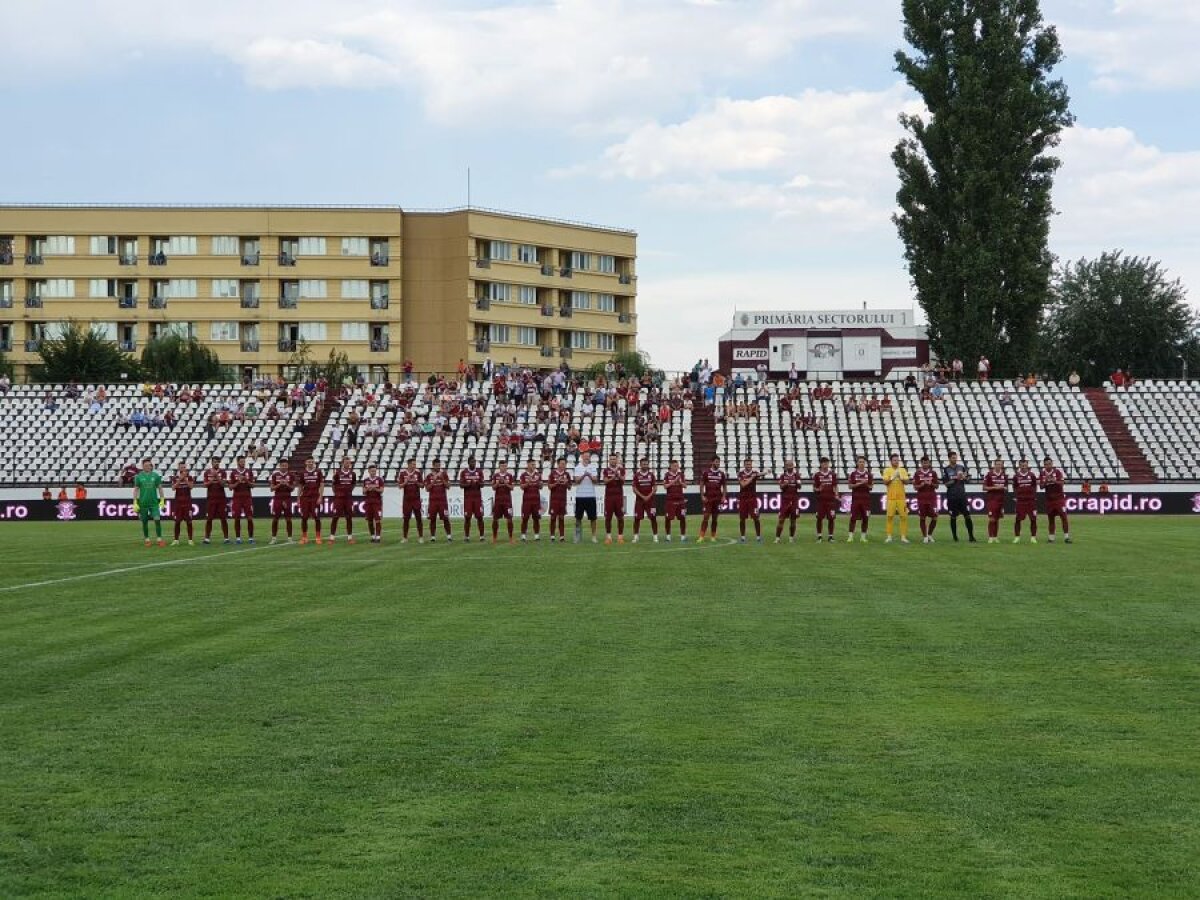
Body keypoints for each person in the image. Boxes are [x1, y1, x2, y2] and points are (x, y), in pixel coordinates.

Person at [942, 451, 975, 543]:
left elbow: (968, 479)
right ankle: (955, 537)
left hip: (962, 496)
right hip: (952, 496)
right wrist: (956, 478)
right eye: (953, 458)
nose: (955, 459)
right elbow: (946, 484)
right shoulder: (946, 469)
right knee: (953, 516)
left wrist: (964, 477)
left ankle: (971, 536)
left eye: (955, 457)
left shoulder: (961, 467)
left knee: (967, 515)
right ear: (949, 459)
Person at [132, 458, 166, 547]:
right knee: (144, 521)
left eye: (148, 465)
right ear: (142, 466)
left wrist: (162, 500)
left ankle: (159, 539)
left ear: (151, 466)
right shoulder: (138, 476)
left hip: (154, 503)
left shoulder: (155, 476)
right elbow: (136, 489)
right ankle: (147, 539)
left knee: (157, 519)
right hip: (143, 503)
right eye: (145, 465)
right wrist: (135, 502)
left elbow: (160, 488)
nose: (147, 467)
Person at [1040, 457, 1072, 544]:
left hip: (1059, 499)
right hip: (1049, 500)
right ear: (1044, 465)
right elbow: (1041, 486)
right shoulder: (1042, 473)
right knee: (1051, 519)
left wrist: (1054, 480)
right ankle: (1051, 538)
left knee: (1064, 517)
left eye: (1049, 464)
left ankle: (1066, 537)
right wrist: (1046, 481)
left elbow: (1062, 483)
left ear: (1052, 464)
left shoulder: (1057, 472)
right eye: (1046, 464)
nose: (1048, 465)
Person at [200, 456, 230, 545]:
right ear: (212, 463)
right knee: (209, 519)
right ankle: (207, 538)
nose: (216, 463)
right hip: (211, 499)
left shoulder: (223, 472)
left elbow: (223, 484)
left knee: (223, 518)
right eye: (214, 462)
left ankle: (226, 538)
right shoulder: (207, 472)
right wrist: (212, 479)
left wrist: (217, 476)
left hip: (221, 499)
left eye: (217, 462)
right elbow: (205, 485)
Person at [881, 453, 911, 544]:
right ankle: (889, 536)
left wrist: (901, 477)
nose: (896, 462)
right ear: (891, 461)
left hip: (901, 498)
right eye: (894, 460)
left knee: (903, 517)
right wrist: (893, 477)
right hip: (891, 497)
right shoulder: (887, 470)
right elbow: (885, 482)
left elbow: (907, 482)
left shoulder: (902, 470)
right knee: (890, 517)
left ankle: (903, 537)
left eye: (897, 460)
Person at [697, 455, 727, 542]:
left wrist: (724, 496)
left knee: (715, 518)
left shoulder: (721, 474)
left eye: (718, 462)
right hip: (708, 498)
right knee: (706, 516)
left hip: (717, 498)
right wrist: (702, 495)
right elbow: (702, 484)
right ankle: (701, 536)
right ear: (712, 462)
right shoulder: (706, 472)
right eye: (716, 462)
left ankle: (713, 536)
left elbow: (724, 486)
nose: (717, 463)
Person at [573, 450, 600, 544]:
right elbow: (577, 481)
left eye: (588, 456)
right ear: (582, 457)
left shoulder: (593, 467)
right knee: (578, 518)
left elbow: (596, 480)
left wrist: (590, 475)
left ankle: (593, 536)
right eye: (585, 456)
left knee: (593, 518)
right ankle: (578, 536)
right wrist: (584, 475)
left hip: (591, 495)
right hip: (580, 496)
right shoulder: (577, 467)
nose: (587, 458)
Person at [329, 457, 357, 543]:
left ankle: (349, 538)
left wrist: (348, 491)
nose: (347, 464)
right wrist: (337, 493)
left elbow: (353, 484)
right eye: (346, 463)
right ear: (342, 463)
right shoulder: (337, 473)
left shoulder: (353, 474)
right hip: (339, 498)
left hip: (348, 498)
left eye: (349, 463)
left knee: (349, 517)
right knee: (335, 517)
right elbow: (333, 485)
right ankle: (332, 538)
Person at [297, 457, 325, 544]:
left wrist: (320, 497)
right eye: (309, 462)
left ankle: (318, 537)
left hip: (315, 497)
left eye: (312, 462)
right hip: (305, 498)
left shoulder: (318, 472)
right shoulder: (302, 473)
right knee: (304, 517)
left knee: (316, 517)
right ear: (305, 462)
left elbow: (321, 485)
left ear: (314, 463)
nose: (310, 463)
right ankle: (304, 537)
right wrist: (298, 498)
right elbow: (300, 486)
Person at [396, 458, 424, 544]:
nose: (414, 466)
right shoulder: (403, 474)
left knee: (419, 518)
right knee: (406, 519)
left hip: (416, 499)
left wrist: (416, 482)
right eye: (413, 464)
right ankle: (405, 537)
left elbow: (422, 485)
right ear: (408, 465)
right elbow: (400, 486)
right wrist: (406, 482)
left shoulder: (418, 473)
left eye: (415, 464)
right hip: (407, 500)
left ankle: (420, 537)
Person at [229, 455, 256, 544]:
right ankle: (238, 538)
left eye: (244, 462)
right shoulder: (233, 473)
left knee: (249, 518)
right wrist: (238, 481)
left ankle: (251, 538)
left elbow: (252, 485)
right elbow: (230, 487)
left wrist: (246, 480)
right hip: (237, 498)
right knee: (237, 518)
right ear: (237, 462)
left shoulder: (249, 472)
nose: (243, 463)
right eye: (241, 462)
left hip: (247, 498)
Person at [601, 453, 627, 545]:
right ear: (609, 460)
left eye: (614, 459)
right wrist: (613, 477)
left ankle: (620, 537)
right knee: (608, 517)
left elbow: (623, 481)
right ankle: (608, 537)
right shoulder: (606, 470)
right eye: (611, 459)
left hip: (619, 497)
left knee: (620, 517)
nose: (613, 460)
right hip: (609, 497)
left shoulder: (621, 469)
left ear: (616, 460)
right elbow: (605, 481)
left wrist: (618, 475)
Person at [631, 457, 658, 543]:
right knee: (637, 518)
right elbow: (634, 488)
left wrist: (649, 496)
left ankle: (655, 536)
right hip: (639, 500)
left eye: (646, 464)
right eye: (643, 464)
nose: (645, 465)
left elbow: (655, 488)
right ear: (640, 465)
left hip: (651, 500)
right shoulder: (636, 475)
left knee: (653, 518)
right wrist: (642, 496)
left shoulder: (651, 475)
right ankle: (636, 536)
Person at [913, 455, 940, 543]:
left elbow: (937, 486)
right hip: (921, 498)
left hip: (932, 498)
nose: (925, 464)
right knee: (922, 517)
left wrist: (931, 483)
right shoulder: (917, 473)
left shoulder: (933, 473)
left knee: (935, 517)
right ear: (921, 463)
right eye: (924, 463)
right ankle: (925, 536)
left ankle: (930, 534)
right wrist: (921, 485)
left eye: (927, 463)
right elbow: (915, 487)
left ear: (929, 463)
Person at [846, 456, 873, 542]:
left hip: (866, 500)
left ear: (865, 463)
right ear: (857, 463)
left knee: (865, 518)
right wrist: (860, 483)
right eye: (860, 462)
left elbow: (871, 487)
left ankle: (863, 537)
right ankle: (850, 536)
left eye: (863, 462)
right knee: (853, 518)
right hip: (856, 499)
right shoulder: (853, 474)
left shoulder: (869, 475)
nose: (861, 463)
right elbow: (850, 486)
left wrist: (865, 484)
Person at [773, 459, 801, 543]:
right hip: (785, 500)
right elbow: (781, 487)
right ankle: (777, 538)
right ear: (785, 466)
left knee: (793, 520)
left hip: (794, 500)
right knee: (781, 519)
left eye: (791, 465)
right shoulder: (783, 476)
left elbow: (799, 487)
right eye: (788, 465)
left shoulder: (797, 475)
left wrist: (797, 482)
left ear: (793, 466)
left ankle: (791, 538)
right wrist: (786, 483)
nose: (789, 467)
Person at [459, 457, 486, 541]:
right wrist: (469, 484)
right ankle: (467, 536)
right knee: (467, 517)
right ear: (468, 463)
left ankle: (482, 536)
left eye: (474, 462)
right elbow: (461, 485)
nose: (473, 463)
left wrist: (477, 482)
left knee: (480, 517)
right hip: (468, 499)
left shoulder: (479, 471)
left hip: (477, 498)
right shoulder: (464, 472)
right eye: (471, 462)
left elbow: (482, 484)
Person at [268, 459, 296, 543]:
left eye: (286, 465)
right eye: (282, 465)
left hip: (287, 498)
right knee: (275, 518)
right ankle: (273, 538)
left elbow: (292, 489)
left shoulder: (291, 475)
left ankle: (290, 538)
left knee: (288, 519)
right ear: (280, 466)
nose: (284, 467)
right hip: (277, 498)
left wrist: (286, 484)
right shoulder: (275, 475)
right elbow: (271, 489)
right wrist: (280, 484)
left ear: (288, 466)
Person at [736, 457, 762, 543]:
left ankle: (758, 537)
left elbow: (760, 474)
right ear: (744, 465)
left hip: (752, 499)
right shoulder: (740, 474)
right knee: (742, 518)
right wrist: (751, 478)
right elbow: (743, 485)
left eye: (750, 464)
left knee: (756, 518)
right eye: (747, 464)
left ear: (751, 465)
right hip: (743, 499)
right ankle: (743, 537)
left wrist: (766, 472)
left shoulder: (755, 473)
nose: (748, 465)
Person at [545, 458, 572, 542]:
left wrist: (566, 483)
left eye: (565, 464)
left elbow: (570, 487)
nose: (563, 465)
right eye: (562, 464)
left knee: (561, 517)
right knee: (553, 517)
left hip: (562, 499)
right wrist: (557, 482)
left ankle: (562, 536)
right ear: (558, 464)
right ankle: (552, 536)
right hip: (554, 499)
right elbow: (549, 487)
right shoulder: (553, 474)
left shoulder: (567, 474)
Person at [1012, 458, 1038, 543]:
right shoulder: (1016, 476)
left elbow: (1034, 486)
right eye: (1022, 465)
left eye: (1025, 465)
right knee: (1018, 519)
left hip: (1030, 501)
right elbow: (1015, 487)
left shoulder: (1032, 475)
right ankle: (1017, 537)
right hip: (1021, 501)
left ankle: (1033, 537)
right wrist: (1017, 496)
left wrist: (1033, 495)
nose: (1023, 467)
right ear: (1019, 466)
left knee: (1033, 519)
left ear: (1027, 465)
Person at [425, 460, 452, 542]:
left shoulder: (444, 474)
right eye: (436, 465)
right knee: (432, 519)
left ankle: (449, 536)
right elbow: (427, 488)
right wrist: (434, 480)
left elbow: (448, 486)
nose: (438, 467)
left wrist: (442, 479)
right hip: (433, 501)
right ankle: (433, 537)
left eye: (439, 465)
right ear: (433, 466)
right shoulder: (429, 476)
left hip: (442, 500)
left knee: (445, 518)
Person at [812, 457, 838, 542]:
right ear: (821, 464)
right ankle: (819, 536)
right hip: (821, 501)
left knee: (831, 518)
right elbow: (814, 488)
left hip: (830, 500)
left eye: (826, 463)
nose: (825, 465)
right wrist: (818, 489)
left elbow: (835, 486)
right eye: (823, 463)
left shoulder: (832, 474)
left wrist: (837, 494)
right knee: (819, 518)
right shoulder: (817, 475)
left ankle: (830, 536)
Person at [170, 462, 196, 546]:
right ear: (179, 468)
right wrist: (180, 480)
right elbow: (173, 488)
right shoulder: (175, 477)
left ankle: (190, 539)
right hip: (178, 503)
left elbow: (191, 487)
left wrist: (185, 479)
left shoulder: (190, 477)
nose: (183, 469)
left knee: (189, 521)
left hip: (187, 502)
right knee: (177, 522)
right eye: (181, 467)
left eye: (184, 467)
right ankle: (176, 540)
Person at [661, 460, 688, 542]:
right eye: (675, 466)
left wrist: (679, 482)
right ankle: (668, 536)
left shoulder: (681, 475)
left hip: (680, 500)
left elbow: (685, 486)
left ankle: (683, 536)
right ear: (671, 466)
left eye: (677, 465)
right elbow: (665, 486)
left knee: (682, 518)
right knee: (668, 518)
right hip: (670, 500)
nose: (676, 467)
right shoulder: (667, 475)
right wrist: (673, 482)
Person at [491, 460, 516, 544]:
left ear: (506, 467)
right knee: (495, 519)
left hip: (507, 501)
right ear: (499, 467)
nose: (503, 468)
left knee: (509, 519)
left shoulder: (510, 476)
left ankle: (511, 537)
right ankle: (494, 537)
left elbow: (512, 488)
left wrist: (505, 483)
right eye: (502, 466)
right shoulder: (495, 476)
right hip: (498, 501)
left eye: (505, 466)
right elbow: (493, 488)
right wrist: (497, 483)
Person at [982, 459, 1007, 544]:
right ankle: (990, 537)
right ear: (994, 465)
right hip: (992, 499)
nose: (998, 466)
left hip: (1001, 500)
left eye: (1000, 464)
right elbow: (984, 488)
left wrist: (1004, 488)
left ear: (1002, 465)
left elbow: (1006, 487)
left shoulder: (1004, 475)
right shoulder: (989, 475)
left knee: (997, 519)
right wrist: (995, 487)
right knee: (991, 519)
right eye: (997, 464)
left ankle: (995, 537)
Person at [518, 460, 544, 541]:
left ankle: (536, 535)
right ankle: (523, 535)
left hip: (536, 500)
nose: (534, 466)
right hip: (527, 500)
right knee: (525, 518)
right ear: (528, 465)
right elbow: (521, 487)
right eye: (532, 464)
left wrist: (540, 483)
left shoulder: (537, 475)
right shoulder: (523, 475)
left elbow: (541, 487)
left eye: (534, 464)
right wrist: (527, 483)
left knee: (536, 518)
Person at [362, 463, 385, 543]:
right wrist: (368, 489)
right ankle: (372, 536)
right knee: (370, 520)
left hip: (377, 502)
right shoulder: (365, 480)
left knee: (378, 519)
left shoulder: (379, 479)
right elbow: (364, 492)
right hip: (368, 502)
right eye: (372, 471)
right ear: (369, 471)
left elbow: (381, 490)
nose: (373, 472)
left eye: (375, 471)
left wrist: (375, 488)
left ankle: (378, 537)